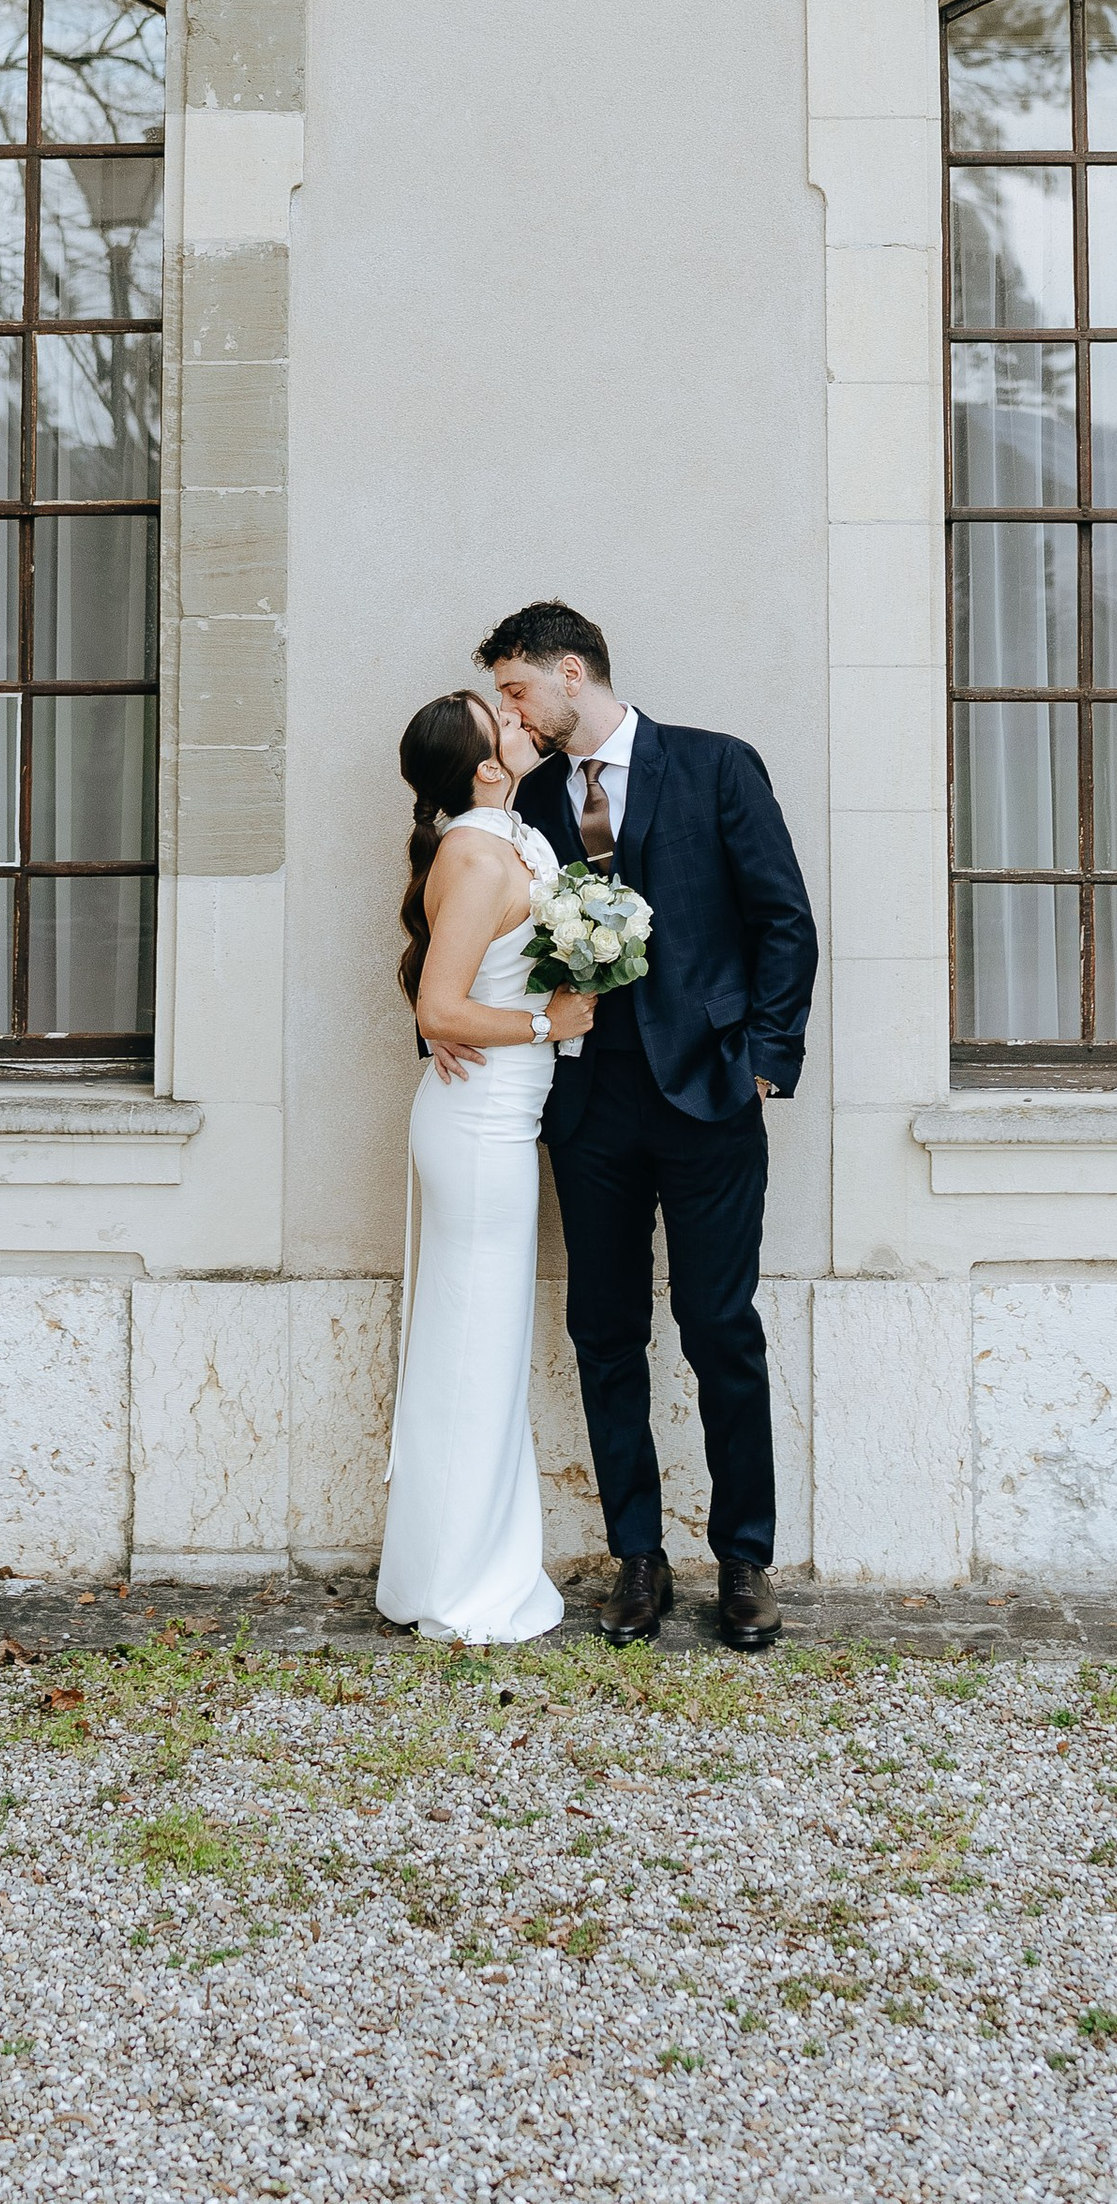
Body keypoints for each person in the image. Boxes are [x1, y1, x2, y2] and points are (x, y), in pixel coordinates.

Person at [480, 600, 818, 1655]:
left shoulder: (716, 767)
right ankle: (638, 1558)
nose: (512, 711)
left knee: (722, 1331)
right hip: (586, 1104)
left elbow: (782, 920)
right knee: (605, 1331)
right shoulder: (529, 797)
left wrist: (766, 1063)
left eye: (518, 689)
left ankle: (746, 1561)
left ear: (572, 671)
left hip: (711, 1097)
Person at [373, 688, 595, 1641]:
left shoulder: (502, 840)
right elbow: (439, 1012)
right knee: (474, 1350)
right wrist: (553, 1020)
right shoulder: (471, 855)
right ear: (484, 766)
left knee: (480, 1348)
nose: (517, 717)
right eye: (496, 715)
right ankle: (462, 1587)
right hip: (478, 1128)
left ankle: (445, 1571)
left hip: (499, 1119)